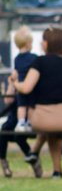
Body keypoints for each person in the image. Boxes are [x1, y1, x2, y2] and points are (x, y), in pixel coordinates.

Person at [8, 27, 62, 178]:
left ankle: (35, 153)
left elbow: (27, 88)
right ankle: (56, 171)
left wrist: (15, 83)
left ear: (46, 44)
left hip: (43, 116)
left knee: (49, 127)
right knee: (54, 132)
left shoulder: (39, 62)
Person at [1, 26, 36, 178]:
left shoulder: (21, 61)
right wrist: (11, 83)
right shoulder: (24, 62)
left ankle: (33, 160)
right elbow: (9, 99)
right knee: (4, 130)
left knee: (17, 134)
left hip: (28, 106)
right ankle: (3, 162)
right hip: (18, 107)